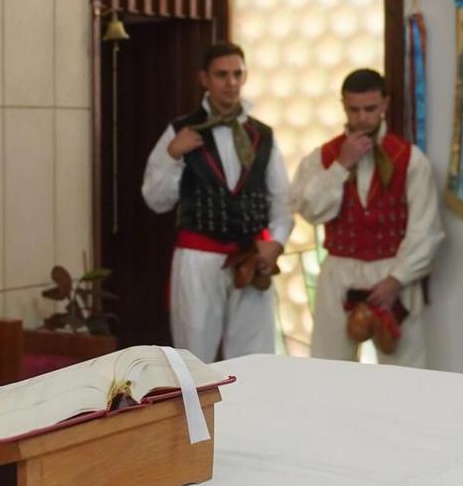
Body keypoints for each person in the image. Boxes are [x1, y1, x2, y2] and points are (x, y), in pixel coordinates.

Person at [139, 42, 291, 362]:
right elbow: (156, 200)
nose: (231, 82)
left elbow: (281, 201)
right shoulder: (180, 131)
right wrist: (173, 154)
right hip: (198, 258)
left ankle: (250, 411)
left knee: (256, 356)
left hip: (250, 259)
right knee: (194, 355)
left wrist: (275, 243)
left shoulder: (262, 136)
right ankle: (198, 412)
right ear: (204, 79)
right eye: (222, 75)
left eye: (237, 74)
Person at [289, 69, 443, 366]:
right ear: (343, 106)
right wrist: (341, 165)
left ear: (385, 105)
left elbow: (426, 229)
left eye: (370, 109)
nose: (362, 118)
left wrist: (397, 279)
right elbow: (310, 210)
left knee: (405, 371)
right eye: (354, 110)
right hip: (339, 273)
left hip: (393, 271)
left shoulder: (410, 160)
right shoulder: (324, 157)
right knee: (328, 366)